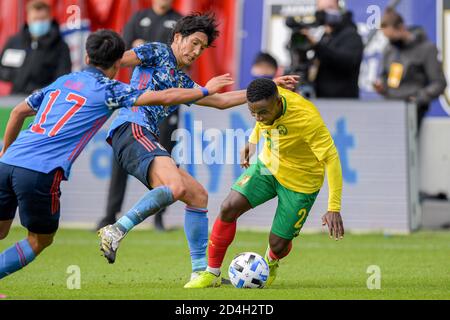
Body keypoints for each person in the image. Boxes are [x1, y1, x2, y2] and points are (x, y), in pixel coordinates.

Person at [0, 29, 233, 280]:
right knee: (39, 240)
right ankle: (118, 229)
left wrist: (5, 154)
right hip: (40, 172)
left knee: (2, 231)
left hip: (7, 163)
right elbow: (163, 96)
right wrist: (206, 90)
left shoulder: (63, 81)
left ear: (87, 58)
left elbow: (16, 114)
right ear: (117, 64)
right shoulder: (110, 90)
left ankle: (201, 273)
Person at [97, 13, 299, 286]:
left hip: (144, 135)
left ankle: (202, 273)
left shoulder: (181, 79)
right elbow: (119, 59)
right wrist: (97, 80)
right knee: (177, 188)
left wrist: (269, 86)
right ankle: (116, 229)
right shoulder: (157, 51)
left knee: (197, 196)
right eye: (193, 44)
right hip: (132, 127)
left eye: (202, 49)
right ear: (177, 37)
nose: (196, 52)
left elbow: (221, 100)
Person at [184, 78, 344, 288]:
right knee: (228, 207)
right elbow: (262, 121)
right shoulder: (265, 105)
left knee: (278, 244)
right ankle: (211, 272)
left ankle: (271, 260)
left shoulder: (306, 119)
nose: (258, 118)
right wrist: (252, 142)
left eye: (263, 113)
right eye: (253, 113)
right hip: (271, 163)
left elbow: (331, 159)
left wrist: (333, 207)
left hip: (301, 181)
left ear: (278, 102)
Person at [97, 0, 183, 232]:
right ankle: (109, 215)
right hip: (136, 107)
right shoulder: (138, 18)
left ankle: (158, 217)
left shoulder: (179, 22)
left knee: (165, 159)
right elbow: (122, 58)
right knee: (121, 162)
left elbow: (177, 60)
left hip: (167, 104)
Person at [373, 7, 447, 130]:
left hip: (413, 109)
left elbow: (439, 83)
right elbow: (385, 76)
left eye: (392, 37)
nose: (390, 41)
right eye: (387, 38)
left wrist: (418, 98)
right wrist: (381, 86)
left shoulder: (426, 49)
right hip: (390, 107)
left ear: (402, 28)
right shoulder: (390, 48)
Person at [0, 0, 71, 94]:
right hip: (15, 97)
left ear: (50, 18)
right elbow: (2, 68)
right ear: (28, 19)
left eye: (42, 19)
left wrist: (44, 91)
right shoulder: (14, 42)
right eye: (35, 19)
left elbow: (63, 77)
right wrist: (15, 75)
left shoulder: (61, 46)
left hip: (44, 100)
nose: (39, 22)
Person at [301, 0, 363, 98]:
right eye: (321, 9)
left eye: (329, 8)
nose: (324, 12)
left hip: (343, 101)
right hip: (321, 99)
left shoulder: (351, 35)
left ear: (340, 8)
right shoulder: (325, 36)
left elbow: (347, 61)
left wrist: (318, 46)